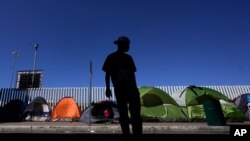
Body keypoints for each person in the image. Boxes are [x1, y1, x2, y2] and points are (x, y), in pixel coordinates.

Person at [102, 36, 142, 135]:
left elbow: (132, 75)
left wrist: (135, 89)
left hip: (128, 89)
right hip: (122, 89)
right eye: (127, 45)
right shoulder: (111, 57)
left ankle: (135, 134)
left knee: (132, 113)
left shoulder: (128, 58)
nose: (129, 47)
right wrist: (107, 88)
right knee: (126, 114)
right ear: (122, 45)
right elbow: (107, 74)